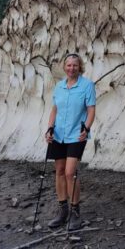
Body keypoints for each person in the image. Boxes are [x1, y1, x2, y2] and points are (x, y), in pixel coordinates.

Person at [44, 53, 96, 230]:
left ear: (79, 66)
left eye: (75, 65)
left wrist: (86, 128)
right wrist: (49, 128)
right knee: (59, 171)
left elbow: (91, 111)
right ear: (64, 67)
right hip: (58, 134)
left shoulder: (87, 85)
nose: (71, 68)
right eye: (68, 65)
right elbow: (54, 110)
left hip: (77, 134)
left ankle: (75, 212)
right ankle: (62, 210)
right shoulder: (59, 86)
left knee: (69, 172)